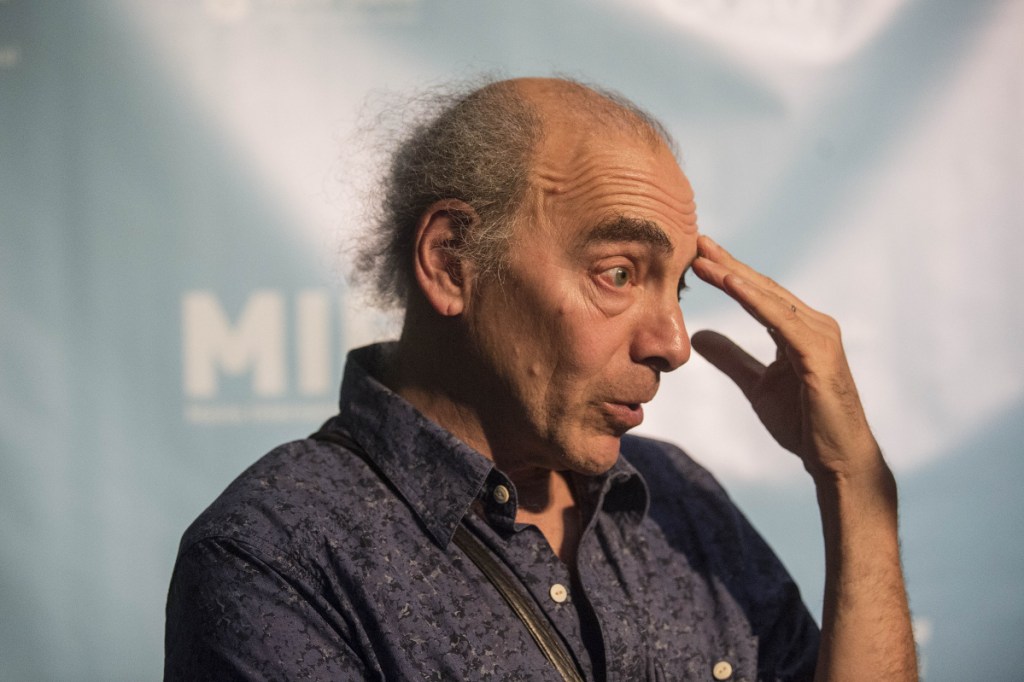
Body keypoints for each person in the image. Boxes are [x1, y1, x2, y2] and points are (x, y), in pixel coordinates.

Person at [165, 77, 917, 681]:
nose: (673, 343)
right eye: (619, 274)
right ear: (452, 260)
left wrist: (853, 484)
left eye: (677, 288)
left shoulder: (679, 501)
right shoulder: (274, 557)